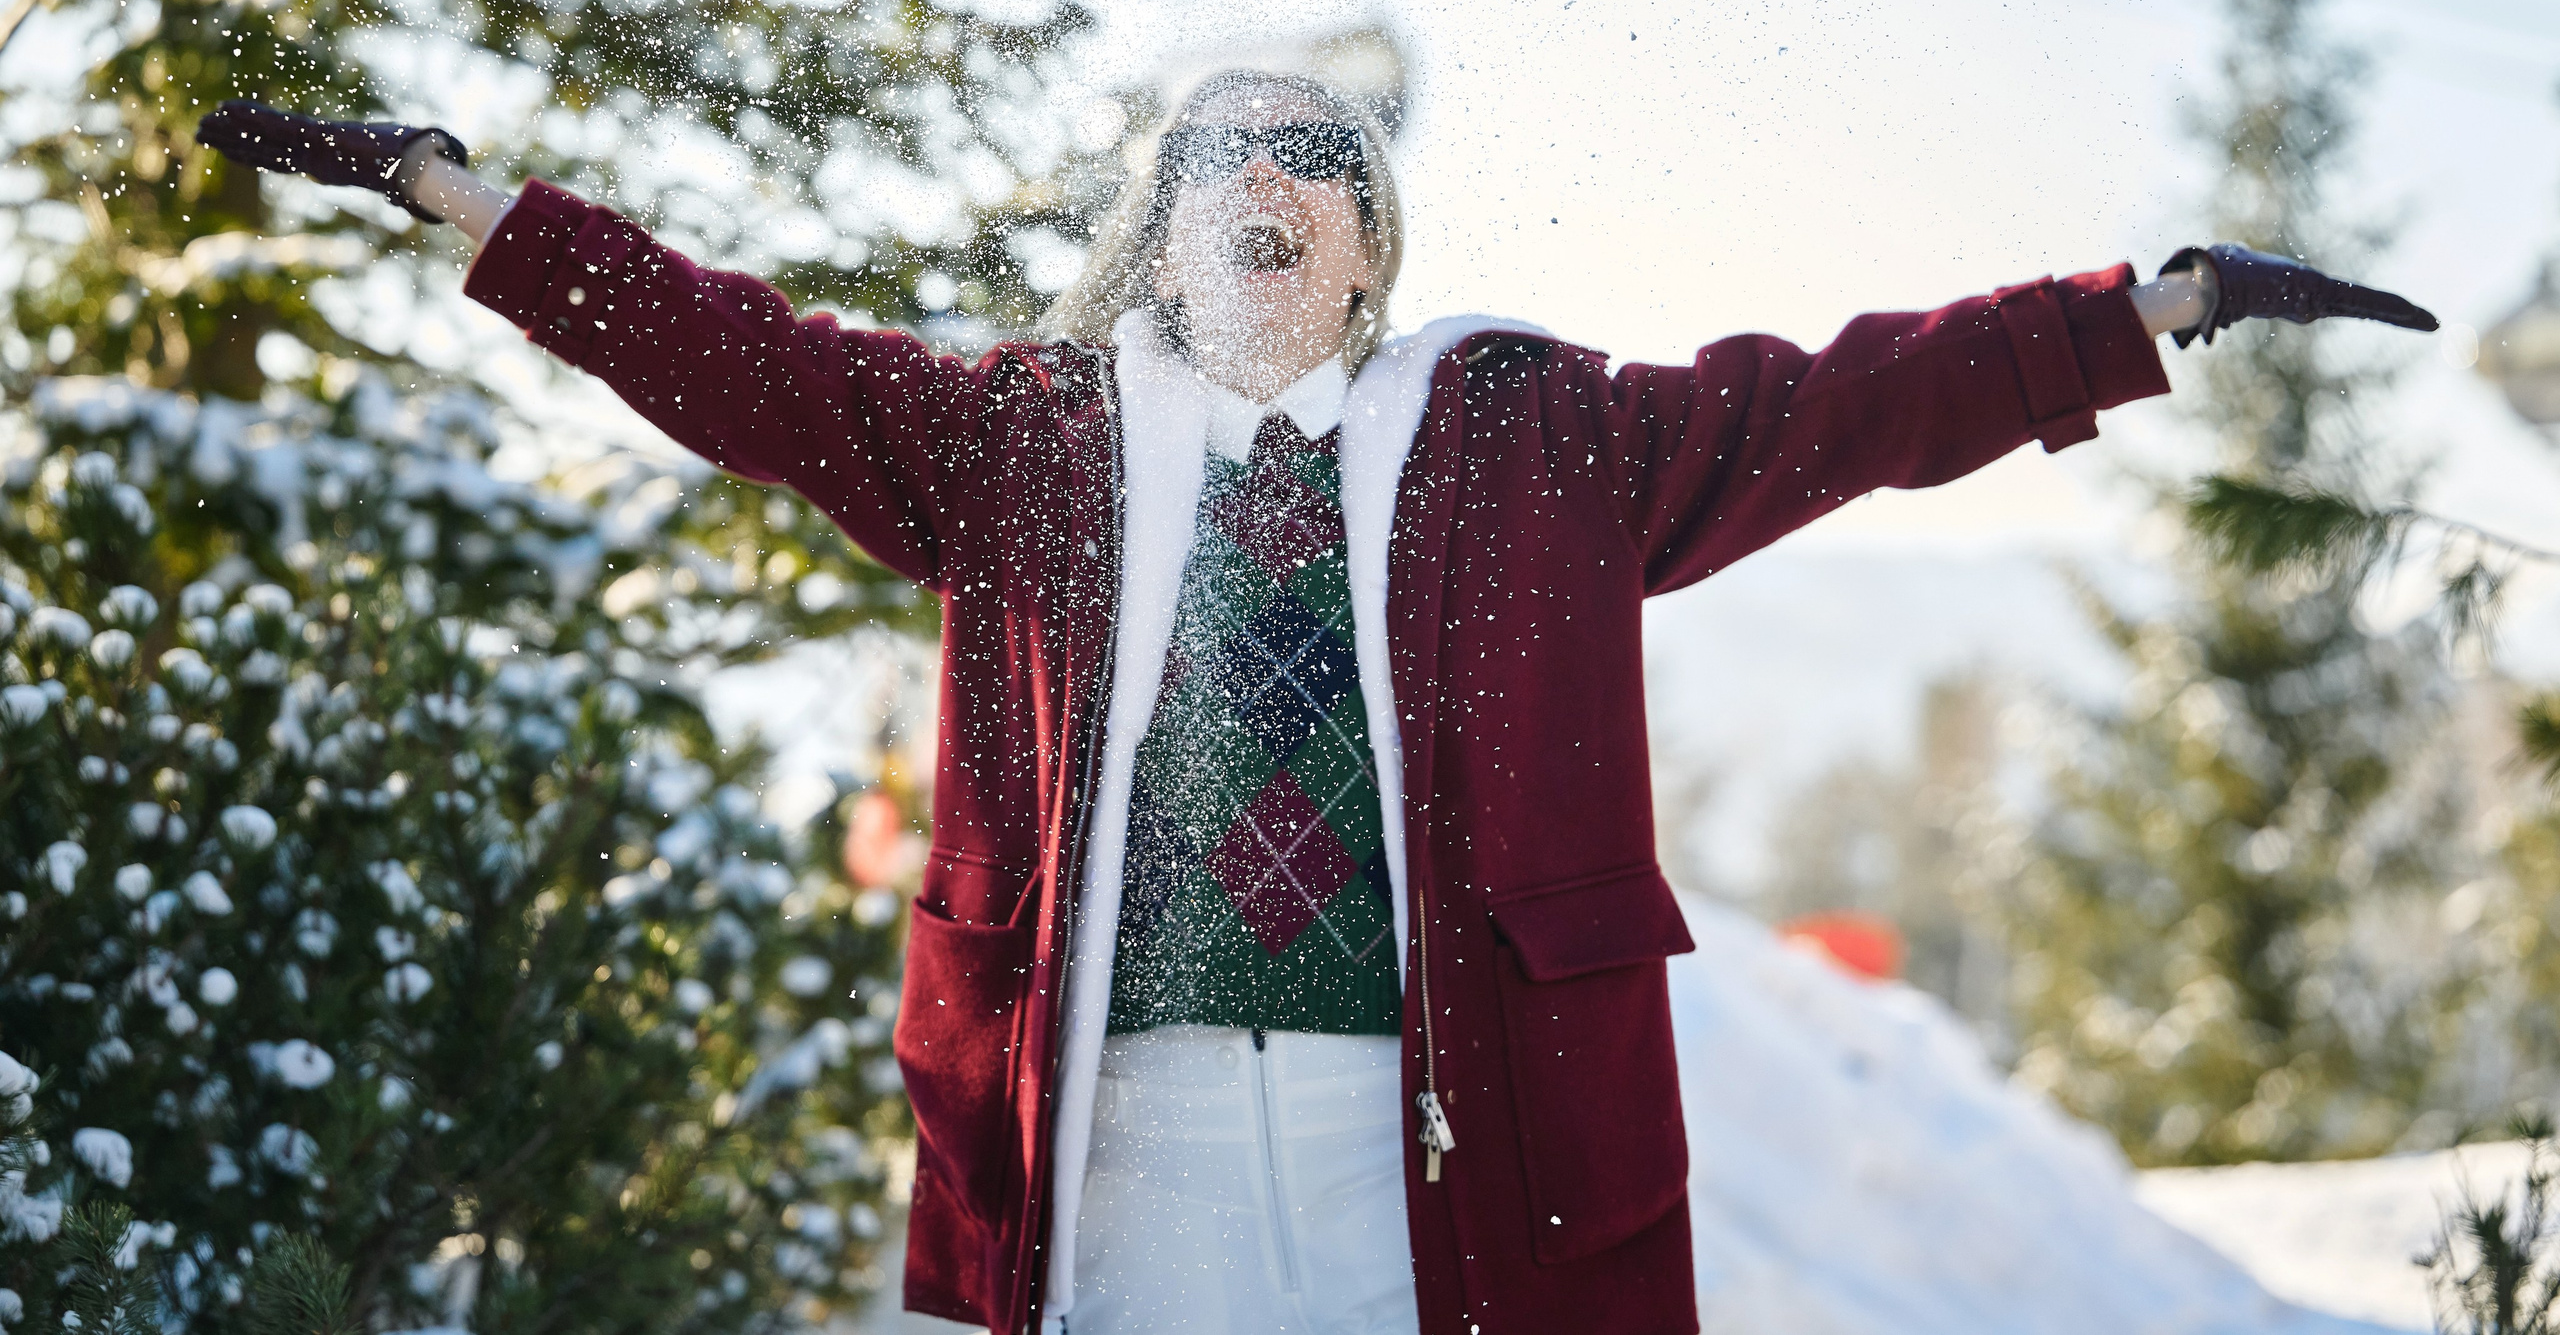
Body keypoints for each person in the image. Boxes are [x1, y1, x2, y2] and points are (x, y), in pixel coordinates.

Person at [196, 76, 2434, 1335]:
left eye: (1306, 166)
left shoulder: (1534, 440)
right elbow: (737, 354)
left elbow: (1839, 405)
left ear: (1367, 246)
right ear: (1156, 241)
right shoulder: (1018, 446)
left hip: (1430, 1137)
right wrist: (449, 191)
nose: (1253, 190)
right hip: (1126, 1129)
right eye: (1208, 165)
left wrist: (2137, 311)